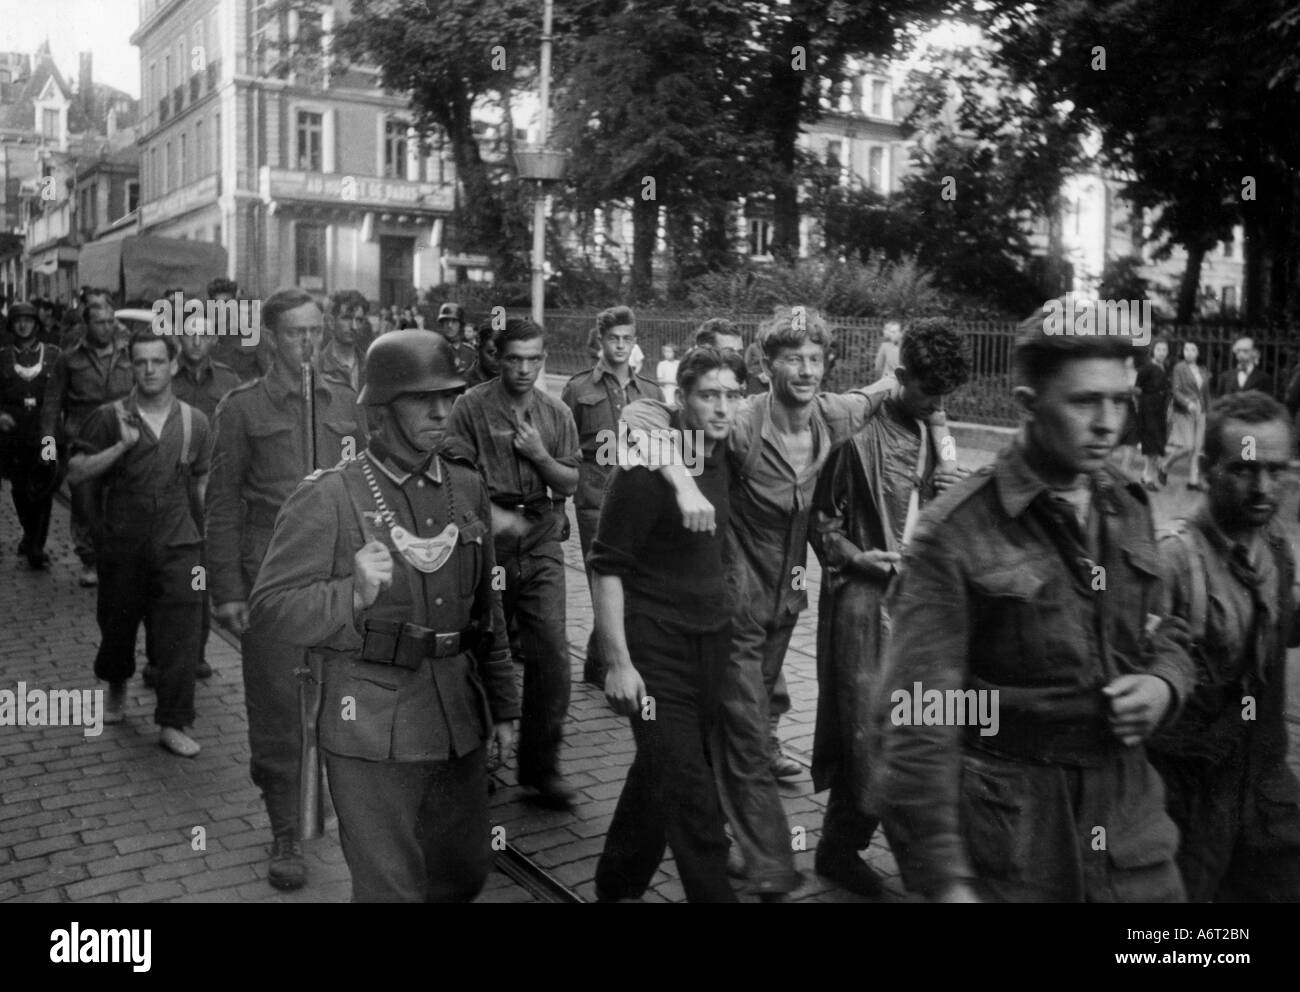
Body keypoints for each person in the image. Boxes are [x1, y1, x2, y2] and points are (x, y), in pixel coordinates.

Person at [617, 305, 952, 898]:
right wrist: (681, 476)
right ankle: (774, 866)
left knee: (710, 735)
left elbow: (895, 390)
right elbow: (641, 415)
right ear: (765, 365)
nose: (805, 370)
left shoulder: (834, 415)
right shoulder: (741, 421)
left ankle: (629, 866)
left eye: (816, 358)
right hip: (730, 608)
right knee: (747, 734)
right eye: (791, 358)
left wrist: (944, 442)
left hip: (784, 609)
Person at [871, 312, 1196, 903]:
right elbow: (916, 722)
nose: (1107, 424)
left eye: (1121, 402)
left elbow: (1166, 626)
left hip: (1129, 830)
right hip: (1015, 835)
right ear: (1028, 402)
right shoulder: (956, 533)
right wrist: (945, 884)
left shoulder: (1127, 504)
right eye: (1084, 402)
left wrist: (1164, 683)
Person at [248, 331, 519, 902]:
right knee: (390, 889)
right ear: (382, 407)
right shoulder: (331, 496)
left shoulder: (467, 487)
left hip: (457, 716)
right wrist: (350, 595)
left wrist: (502, 706)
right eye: (422, 399)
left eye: (448, 395)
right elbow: (269, 611)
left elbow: (486, 612)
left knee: (464, 873)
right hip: (369, 724)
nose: (441, 411)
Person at [206, 288, 362, 891]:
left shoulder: (346, 401)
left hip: (339, 581)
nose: (308, 343)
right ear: (270, 337)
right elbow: (220, 505)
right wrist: (227, 588)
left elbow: (367, 489)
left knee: (345, 701)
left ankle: (342, 811)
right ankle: (284, 830)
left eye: (315, 332)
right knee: (277, 710)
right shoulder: (241, 409)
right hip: (271, 585)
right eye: (296, 333)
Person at [808, 319, 971, 897]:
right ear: (900, 377)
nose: (938, 406)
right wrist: (857, 558)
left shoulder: (935, 428)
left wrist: (943, 489)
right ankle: (841, 848)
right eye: (929, 393)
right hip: (863, 599)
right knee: (865, 727)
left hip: (915, 599)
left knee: (916, 720)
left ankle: (845, 843)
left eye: (945, 396)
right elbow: (821, 521)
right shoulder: (857, 436)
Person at [593, 347, 747, 903]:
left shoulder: (726, 451)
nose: (723, 407)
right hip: (654, 649)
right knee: (692, 796)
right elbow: (606, 568)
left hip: (711, 642)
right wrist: (618, 663)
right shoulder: (641, 472)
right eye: (709, 395)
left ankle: (616, 886)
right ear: (680, 400)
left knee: (664, 770)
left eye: (732, 395)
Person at [1148, 392, 1300, 901]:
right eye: (1244, 470)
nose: (1263, 488)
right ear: (1208, 468)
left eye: (1277, 471)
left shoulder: (1276, 544)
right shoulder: (1173, 561)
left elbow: (1275, 631)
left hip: (1265, 790)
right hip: (1188, 800)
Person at [443, 317, 581, 809]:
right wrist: (491, 513)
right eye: (514, 359)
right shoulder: (470, 407)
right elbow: (450, 473)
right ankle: (477, 759)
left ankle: (540, 769)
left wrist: (540, 456)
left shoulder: (556, 413)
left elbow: (569, 482)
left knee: (553, 657)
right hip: (487, 539)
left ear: (544, 359)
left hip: (541, 537)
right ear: (498, 358)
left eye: (534, 359)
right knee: (481, 648)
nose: (524, 369)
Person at [68, 330, 211, 757]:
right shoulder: (109, 417)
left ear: (172, 365)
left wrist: (210, 541)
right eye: (140, 362)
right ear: (130, 366)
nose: (149, 369)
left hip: (179, 541)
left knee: (181, 635)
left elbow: (202, 483)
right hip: (124, 540)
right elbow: (75, 472)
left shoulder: (194, 421)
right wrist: (120, 447)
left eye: (156, 361)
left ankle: (174, 720)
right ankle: (115, 686)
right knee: (117, 623)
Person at [561, 306, 663, 689]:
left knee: (635, 583)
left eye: (627, 339)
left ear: (635, 342)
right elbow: (565, 447)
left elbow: (665, 449)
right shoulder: (578, 388)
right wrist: (561, 501)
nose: (620, 346)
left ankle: (598, 660)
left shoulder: (650, 391)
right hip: (595, 502)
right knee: (603, 580)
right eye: (613, 339)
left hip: (641, 505)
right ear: (600, 341)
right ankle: (612, 668)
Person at [167, 303, 240, 685]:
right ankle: (160, 657)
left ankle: (195, 653)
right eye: (189, 331)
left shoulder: (229, 382)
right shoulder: (161, 377)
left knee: (199, 576)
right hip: (167, 494)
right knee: (165, 579)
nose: (196, 339)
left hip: (211, 493)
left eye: (204, 333)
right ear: (178, 335)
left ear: (213, 338)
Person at [40, 301, 134, 587]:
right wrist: (48, 446)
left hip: (121, 437)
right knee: (84, 505)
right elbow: (52, 403)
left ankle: (118, 559)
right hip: (82, 440)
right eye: (100, 322)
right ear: (86, 325)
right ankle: (91, 560)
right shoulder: (68, 360)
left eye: (110, 321)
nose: (107, 327)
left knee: (121, 502)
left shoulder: (128, 355)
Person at [0, 302, 61, 568]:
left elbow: (64, 392)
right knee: (20, 486)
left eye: (28, 320)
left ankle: (37, 544)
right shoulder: (2, 357)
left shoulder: (54, 354)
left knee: (46, 480)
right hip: (13, 433)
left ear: (36, 324)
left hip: (46, 430)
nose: (23, 325)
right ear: (11, 325)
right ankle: (28, 531)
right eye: (18, 321)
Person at [1163, 339, 1211, 491]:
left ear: (1198, 352)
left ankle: (1193, 481)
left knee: (1197, 448)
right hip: (1184, 411)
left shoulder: (1203, 369)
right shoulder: (1179, 368)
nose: (1188, 352)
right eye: (1186, 349)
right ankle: (1165, 465)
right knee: (1188, 446)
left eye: (1192, 350)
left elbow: (1206, 393)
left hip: (1201, 410)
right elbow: (1175, 390)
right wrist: (1187, 403)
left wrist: (1208, 410)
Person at [1135, 338, 1171, 491]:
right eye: (1159, 350)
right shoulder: (1147, 368)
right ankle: (1148, 477)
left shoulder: (1165, 368)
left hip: (1160, 410)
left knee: (1157, 445)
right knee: (1152, 445)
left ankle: (1146, 475)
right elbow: (1137, 389)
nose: (1161, 353)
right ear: (1153, 351)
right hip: (1148, 409)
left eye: (1164, 350)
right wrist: (1141, 406)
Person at [435, 302, 478, 373]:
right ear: (441, 324)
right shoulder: (434, 351)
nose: (450, 325)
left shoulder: (470, 353)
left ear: (460, 325)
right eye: (446, 321)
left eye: (454, 321)